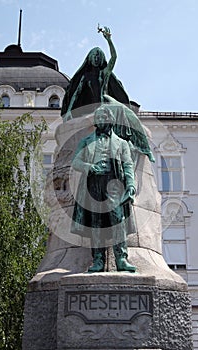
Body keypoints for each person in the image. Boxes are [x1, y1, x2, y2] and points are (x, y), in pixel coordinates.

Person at [71, 105, 136, 273]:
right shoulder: (86, 141)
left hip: (114, 183)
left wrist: (130, 184)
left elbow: (128, 164)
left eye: (103, 117)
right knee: (96, 223)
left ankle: (121, 258)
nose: (100, 121)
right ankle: (98, 260)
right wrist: (89, 167)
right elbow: (76, 162)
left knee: (118, 220)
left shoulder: (121, 143)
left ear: (110, 119)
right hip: (93, 184)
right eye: (97, 118)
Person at [61, 27, 130, 121]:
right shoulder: (86, 77)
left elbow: (114, 57)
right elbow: (76, 94)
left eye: (98, 56)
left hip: (106, 104)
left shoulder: (104, 73)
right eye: (94, 56)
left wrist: (109, 41)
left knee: (121, 109)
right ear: (89, 58)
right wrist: (69, 111)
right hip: (93, 107)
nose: (96, 58)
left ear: (101, 59)